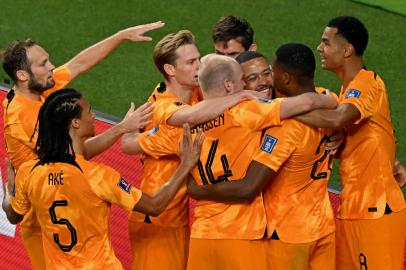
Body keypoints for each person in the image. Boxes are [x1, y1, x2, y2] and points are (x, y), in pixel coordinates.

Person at [126, 54, 338, 270]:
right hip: (243, 233)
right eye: (241, 80)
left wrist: (129, 129)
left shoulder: (182, 129)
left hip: (203, 235)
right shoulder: (246, 111)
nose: (245, 85)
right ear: (228, 85)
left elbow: (130, 145)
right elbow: (307, 101)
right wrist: (331, 98)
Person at [1, 21, 163, 269]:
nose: (52, 67)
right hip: (44, 220)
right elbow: (77, 152)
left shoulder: (37, 90)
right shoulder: (22, 118)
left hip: (67, 200)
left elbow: (77, 64)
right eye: (43, 64)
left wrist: (119, 35)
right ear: (23, 75)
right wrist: (121, 128)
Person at [1, 88, 203, 269]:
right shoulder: (98, 176)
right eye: (89, 111)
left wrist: (8, 196)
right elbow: (155, 206)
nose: (93, 115)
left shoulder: (29, 172)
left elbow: (14, 216)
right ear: (75, 123)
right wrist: (185, 165)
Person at [122, 29, 267, 270]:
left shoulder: (192, 93)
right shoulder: (167, 113)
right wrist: (242, 95)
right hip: (158, 220)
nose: (198, 66)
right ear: (170, 70)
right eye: (191, 62)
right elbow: (132, 144)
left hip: (176, 218)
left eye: (198, 59)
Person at [187, 43, 338, 270]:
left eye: (267, 73)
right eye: (251, 78)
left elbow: (248, 187)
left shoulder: (277, 124)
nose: (263, 82)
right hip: (319, 225)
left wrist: (195, 188)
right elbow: (324, 102)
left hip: (286, 231)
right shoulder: (326, 100)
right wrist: (340, 129)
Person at [295, 16, 406, 270]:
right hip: (354, 208)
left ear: (347, 50)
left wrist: (282, 109)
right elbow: (366, 138)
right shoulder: (348, 90)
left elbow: (338, 118)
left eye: (326, 42)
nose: (319, 48)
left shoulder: (367, 82)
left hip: (376, 210)